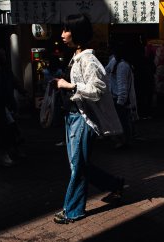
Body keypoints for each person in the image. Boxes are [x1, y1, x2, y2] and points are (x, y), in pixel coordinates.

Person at [54, 14, 124, 224]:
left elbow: (97, 90)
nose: (62, 34)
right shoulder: (77, 56)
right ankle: (114, 184)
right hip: (74, 117)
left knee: (78, 166)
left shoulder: (88, 59)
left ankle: (73, 210)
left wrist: (69, 86)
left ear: (76, 33)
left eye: (66, 30)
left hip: (82, 120)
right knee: (80, 164)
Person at [105, 39, 138, 148]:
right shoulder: (115, 61)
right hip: (115, 97)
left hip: (119, 99)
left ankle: (124, 142)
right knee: (121, 121)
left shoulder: (122, 65)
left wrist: (120, 101)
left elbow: (122, 85)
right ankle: (123, 141)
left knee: (122, 121)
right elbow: (106, 71)